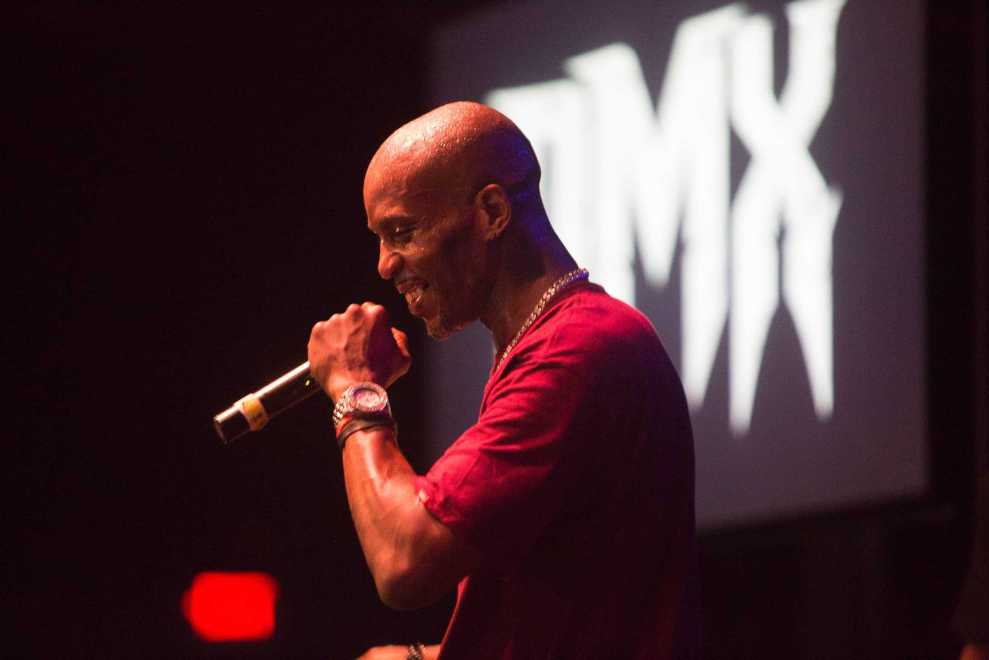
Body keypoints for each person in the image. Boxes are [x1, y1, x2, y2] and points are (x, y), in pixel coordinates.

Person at [307, 101, 700, 659]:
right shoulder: (544, 344)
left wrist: (355, 389)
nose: (385, 265)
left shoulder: (575, 350)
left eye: (401, 232)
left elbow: (403, 561)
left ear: (491, 212)